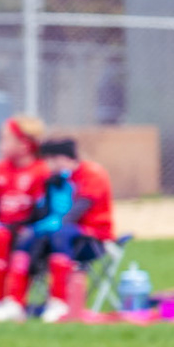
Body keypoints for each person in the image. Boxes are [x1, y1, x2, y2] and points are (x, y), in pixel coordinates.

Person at [19, 138, 116, 322]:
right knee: (29, 238)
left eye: (50, 160)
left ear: (63, 158)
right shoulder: (58, 178)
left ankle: (60, 302)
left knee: (59, 233)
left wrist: (52, 226)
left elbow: (78, 210)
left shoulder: (92, 173)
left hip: (92, 238)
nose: (48, 165)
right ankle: (15, 303)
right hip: (66, 236)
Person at [0, 115, 49, 322]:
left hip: (29, 230)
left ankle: (14, 301)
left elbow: (42, 211)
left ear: (24, 145)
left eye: (5, 139)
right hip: (2, 228)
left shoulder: (40, 171)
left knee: (12, 238)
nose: (0, 145)